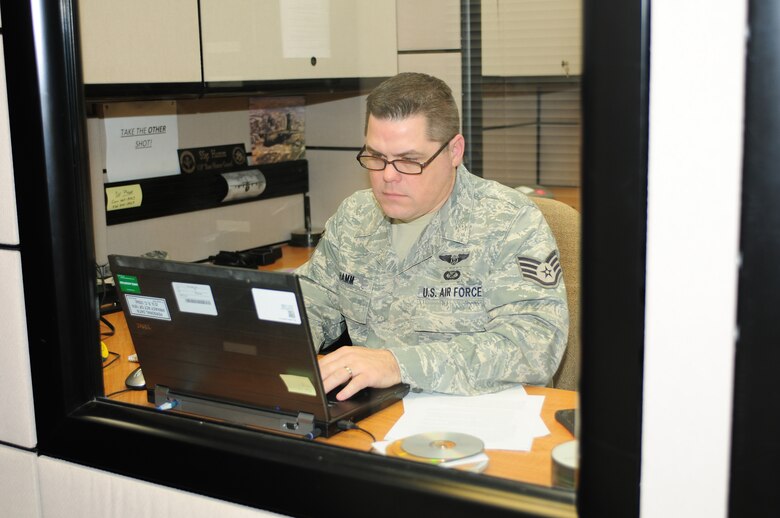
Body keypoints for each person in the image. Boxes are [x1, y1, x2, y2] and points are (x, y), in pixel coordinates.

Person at [296, 72, 568, 400]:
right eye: (376, 157)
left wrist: (398, 364)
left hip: (479, 419)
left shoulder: (509, 222)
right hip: (376, 417)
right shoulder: (356, 218)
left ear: (454, 151)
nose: (388, 177)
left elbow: (533, 347)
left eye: (409, 161)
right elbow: (306, 304)